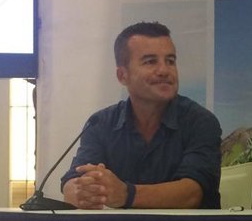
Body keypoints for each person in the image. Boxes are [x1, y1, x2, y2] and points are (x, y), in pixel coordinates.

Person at [62, 21, 221, 209]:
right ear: (122, 75)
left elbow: (192, 194)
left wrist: (126, 194)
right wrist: (82, 192)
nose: (164, 71)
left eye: (170, 61)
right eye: (151, 61)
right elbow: (73, 183)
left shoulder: (201, 122)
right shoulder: (100, 123)